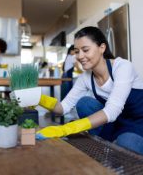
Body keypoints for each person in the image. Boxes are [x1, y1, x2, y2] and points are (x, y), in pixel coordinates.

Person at [36, 26, 143, 155]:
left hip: (137, 123)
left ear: (102, 48)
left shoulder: (123, 67)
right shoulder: (86, 77)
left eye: (85, 50)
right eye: (76, 51)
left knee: (127, 143)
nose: (80, 56)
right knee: (84, 103)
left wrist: (67, 129)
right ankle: (104, 143)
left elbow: (112, 111)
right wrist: (37, 98)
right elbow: (63, 108)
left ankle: (117, 143)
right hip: (114, 123)